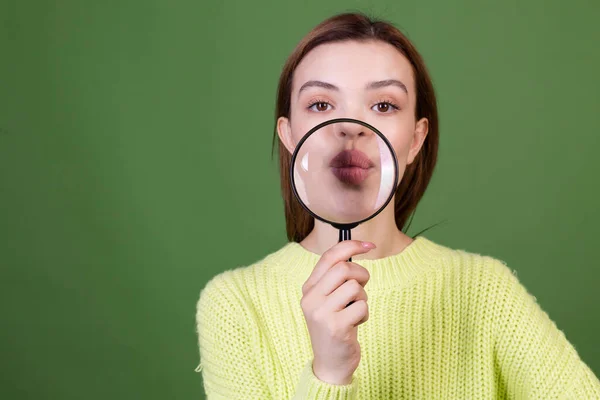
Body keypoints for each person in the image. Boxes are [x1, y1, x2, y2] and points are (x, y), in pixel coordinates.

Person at [194, 12, 600, 399]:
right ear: (289, 135)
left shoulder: (484, 290)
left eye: (383, 106)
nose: (350, 127)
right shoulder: (235, 303)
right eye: (321, 105)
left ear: (415, 140)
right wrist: (329, 374)